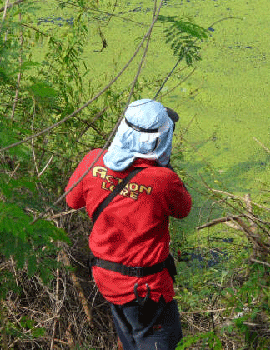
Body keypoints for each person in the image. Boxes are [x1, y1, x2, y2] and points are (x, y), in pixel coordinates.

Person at [65, 99, 192, 350]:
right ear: (161, 139)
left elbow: (71, 199)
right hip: (147, 289)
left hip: (107, 279)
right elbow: (183, 209)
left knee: (130, 339)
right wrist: (164, 163)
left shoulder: (93, 160)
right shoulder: (163, 180)